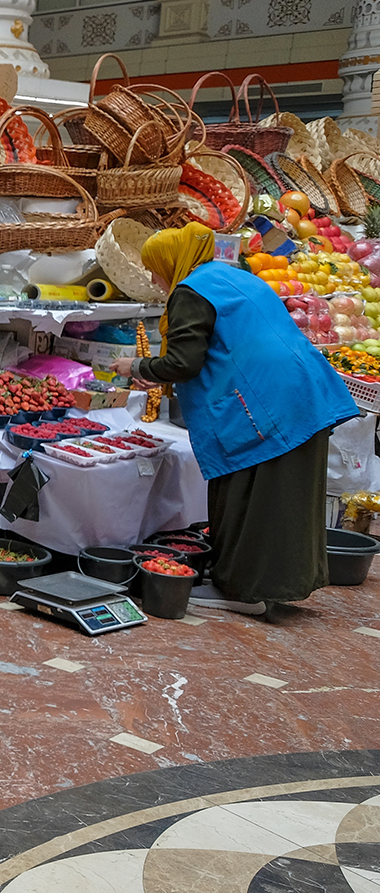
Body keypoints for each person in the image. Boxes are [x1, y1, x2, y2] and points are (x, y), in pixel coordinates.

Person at [110, 223, 357, 614]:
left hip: (265, 402)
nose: (154, 279)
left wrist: (136, 365)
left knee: (248, 495)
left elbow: (183, 362)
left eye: (154, 268)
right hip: (301, 392)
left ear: (169, 262)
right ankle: (269, 583)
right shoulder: (229, 275)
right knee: (284, 497)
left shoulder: (191, 291)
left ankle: (244, 591)